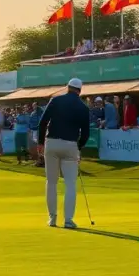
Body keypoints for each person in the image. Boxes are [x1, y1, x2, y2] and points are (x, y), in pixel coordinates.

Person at [36, 78, 91, 229]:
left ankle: (52, 218)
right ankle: (68, 220)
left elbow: (43, 123)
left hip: (52, 142)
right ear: (80, 90)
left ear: (67, 87)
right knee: (70, 184)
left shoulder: (56, 100)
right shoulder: (83, 107)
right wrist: (78, 148)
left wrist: (40, 142)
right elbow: (86, 133)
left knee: (51, 182)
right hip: (71, 145)